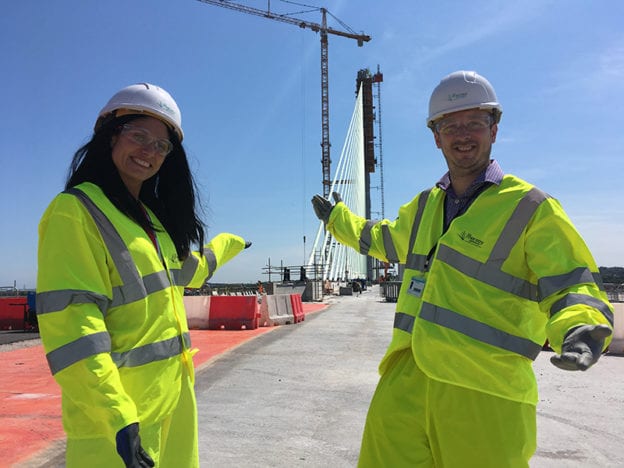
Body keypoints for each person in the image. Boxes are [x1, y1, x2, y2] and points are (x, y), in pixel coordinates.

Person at [312, 70, 614, 467]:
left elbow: (569, 282)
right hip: (406, 377)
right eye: (450, 125)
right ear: (436, 136)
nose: (462, 134)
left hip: (484, 390)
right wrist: (337, 219)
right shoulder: (423, 207)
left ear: (494, 129)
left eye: (474, 122)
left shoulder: (531, 209)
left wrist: (579, 326)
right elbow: (382, 239)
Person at [36, 83, 251, 467]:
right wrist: (117, 416)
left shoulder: (150, 221)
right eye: (139, 136)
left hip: (173, 405)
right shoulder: (76, 211)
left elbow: (187, 272)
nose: (149, 152)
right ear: (110, 135)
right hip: (118, 422)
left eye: (161, 145)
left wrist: (228, 244)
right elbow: (74, 327)